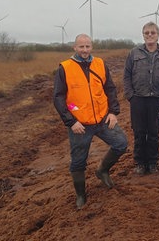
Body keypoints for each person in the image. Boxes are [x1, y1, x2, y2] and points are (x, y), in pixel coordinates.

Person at [53, 33, 129, 209]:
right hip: (80, 124)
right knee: (78, 161)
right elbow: (58, 98)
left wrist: (113, 112)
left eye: (88, 46)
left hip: (103, 119)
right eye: (81, 47)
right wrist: (71, 122)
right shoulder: (65, 68)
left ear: (91, 47)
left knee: (121, 143)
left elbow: (110, 89)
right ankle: (81, 195)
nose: (85, 50)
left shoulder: (100, 64)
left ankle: (102, 171)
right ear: (75, 48)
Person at [123, 22, 159, 175]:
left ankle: (152, 163)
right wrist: (130, 96)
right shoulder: (134, 53)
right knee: (139, 133)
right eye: (147, 33)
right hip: (138, 98)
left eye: (153, 32)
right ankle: (139, 163)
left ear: (158, 35)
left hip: (156, 100)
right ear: (143, 34)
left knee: (153, 133)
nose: (150, 35)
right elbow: (127, 76)